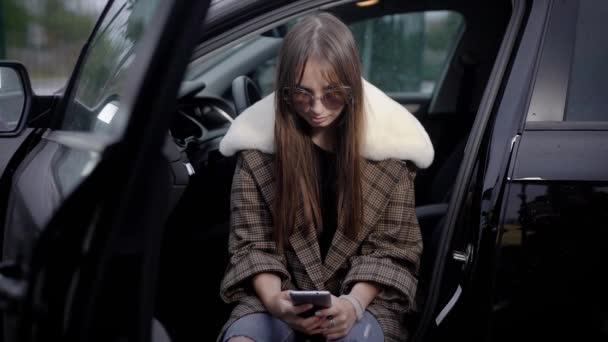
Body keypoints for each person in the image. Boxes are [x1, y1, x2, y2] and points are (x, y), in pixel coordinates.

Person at [217, 12, 434, 342]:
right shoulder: (257, 151)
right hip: (279, 293)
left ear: (352, 87)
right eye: (302, 94)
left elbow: (392, 251)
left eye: (332, 93)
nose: (316, 108)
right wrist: (277, 303)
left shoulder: (391, 154)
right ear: (284, 90)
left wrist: (351, 305)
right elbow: (252, 246)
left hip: (367, 302)